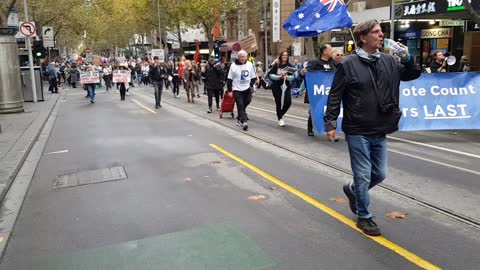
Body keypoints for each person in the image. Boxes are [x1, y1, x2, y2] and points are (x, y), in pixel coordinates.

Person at [323, 20, 421, 236]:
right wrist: (330, 122)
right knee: (363, 175)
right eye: (376, 32)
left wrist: (407, 58)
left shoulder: (390, 61)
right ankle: (364, 216)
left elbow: (413, 74)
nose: (381, 35)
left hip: (381, 126)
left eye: (381, 31)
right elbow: (335, 95)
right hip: (357, 128)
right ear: (363, 37)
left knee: (380, 173)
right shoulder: (347, 64)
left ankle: (352, 191)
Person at [301, 43, 335, 136]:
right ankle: (310, 128)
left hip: (329, 91)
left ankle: (330, 129)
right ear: (324, 52)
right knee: (315, 110)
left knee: (330, 111)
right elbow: (307, 74)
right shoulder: (315, 62)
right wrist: (303, 73)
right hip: (317, 91)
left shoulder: (333, 62)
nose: (332, 50)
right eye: (330, 49)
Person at [227, 50, 256, 131]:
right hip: (237, 89)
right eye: (241, 57)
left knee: (247, 101)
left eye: (244, 57)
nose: (242, 58)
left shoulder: (249, 64)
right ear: (238, 58)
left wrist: (250, 85)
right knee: (240, 105)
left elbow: (253, 77)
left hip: (247, 88)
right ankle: (244, 122)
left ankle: (240, 116)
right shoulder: (233, 66)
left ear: (246, 57)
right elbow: (229, 79)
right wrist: (229, 90)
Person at [268, 51, 295, 127]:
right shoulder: (277, 64)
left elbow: (292, 77)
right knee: (278, 102)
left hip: (286, 85)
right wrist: (278, 77)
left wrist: (287, 77)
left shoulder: (290, 66)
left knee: (288, 102)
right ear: (281, 56)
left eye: (286, 55)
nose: (285, 56)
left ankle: (281, 113)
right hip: (276, 85)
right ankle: (280, 118)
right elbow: (270, 75)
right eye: (283, 55)